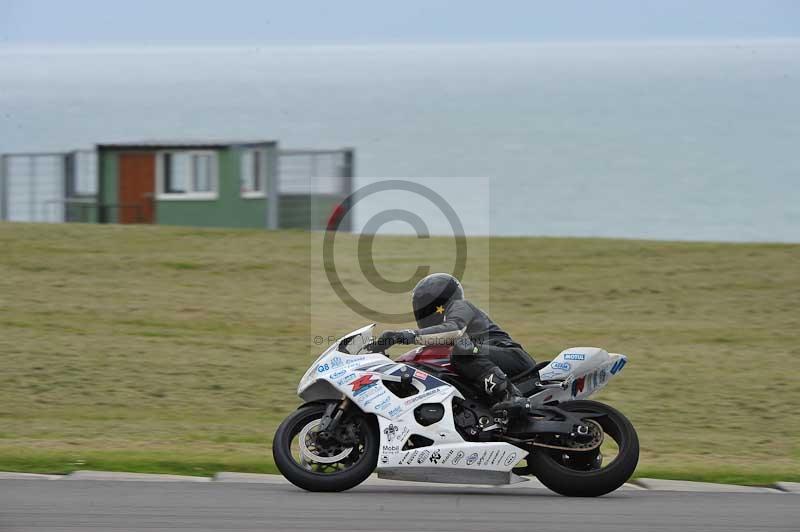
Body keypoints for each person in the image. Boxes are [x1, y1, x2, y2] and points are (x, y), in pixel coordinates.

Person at [374, 273, 536, 418]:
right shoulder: (441, 337)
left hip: (510, 356)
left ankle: (511, 396)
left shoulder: (461, 306)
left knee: (462, 348)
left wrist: (404, 336)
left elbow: (454, 330)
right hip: (488, 359)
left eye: (423, 305)